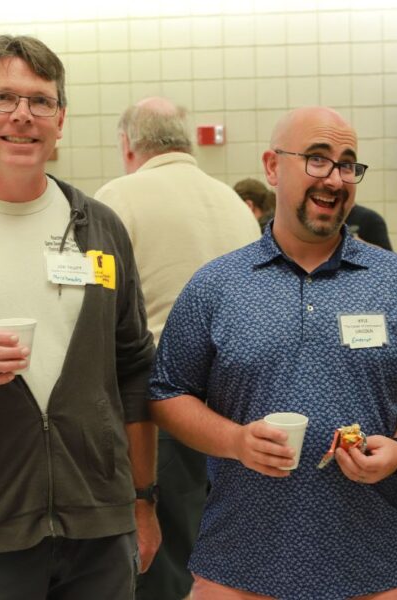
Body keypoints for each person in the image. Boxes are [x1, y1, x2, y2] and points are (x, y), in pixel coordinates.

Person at [148, 106, 397, 600]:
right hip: (239, 560)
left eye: (346, 164)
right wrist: (235, 441)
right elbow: (167, 392)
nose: (334, 178)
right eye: (316, 159)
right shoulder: (217, 285)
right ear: (272, 167)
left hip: (372, 561)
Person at [0, 35, 160, 600]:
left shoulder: (99, 227)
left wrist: (143, 499)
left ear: (61, 119)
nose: (21, 116)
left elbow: (134, 370)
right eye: (1, 98)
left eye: (40, 101)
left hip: (101, 527)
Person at [95, 97, 261, 600]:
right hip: (238, 402)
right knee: (222, 554)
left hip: (158, 403)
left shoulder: (117, 198)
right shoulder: (233, 202)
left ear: (128, 145)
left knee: (160, 552)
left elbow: (95, 310)